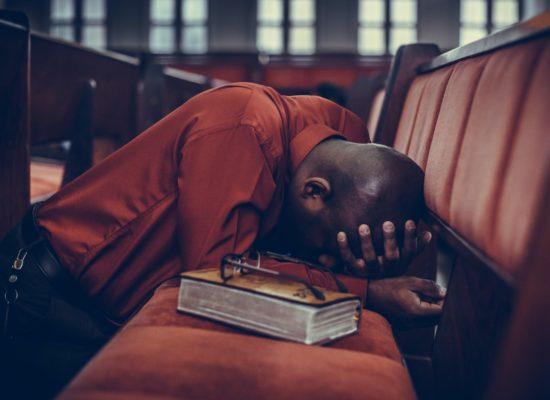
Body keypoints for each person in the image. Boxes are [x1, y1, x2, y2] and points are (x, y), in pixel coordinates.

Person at [0, 82, 444, 397]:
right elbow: (218, 277)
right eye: (327, 247)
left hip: (113, 307)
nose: (325, 259)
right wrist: (366, 292)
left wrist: (367, 264)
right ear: (314, 192)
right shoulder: (243, 128)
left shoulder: (339, 136)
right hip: (44, 298)